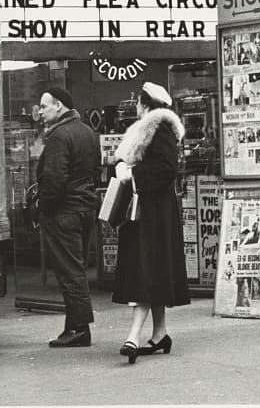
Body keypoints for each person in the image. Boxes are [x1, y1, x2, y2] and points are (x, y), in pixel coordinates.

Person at [112, 81, 191, 364]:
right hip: (151, 214)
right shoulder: (159, 130)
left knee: (143, 273)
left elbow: (165, 170)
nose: (135, 107)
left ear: (145, 105)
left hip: (150, 216)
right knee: (152, 272)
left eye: (138, 102)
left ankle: (133, 336)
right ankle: (160, 333)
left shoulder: (156, 129)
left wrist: (132, 175)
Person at [35, 86, 100, 348]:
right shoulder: (87, 131)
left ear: (59, 106)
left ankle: (79, 328)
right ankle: (73, 326)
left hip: (64, 212)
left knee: (70, 272)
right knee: (78, 267)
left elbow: (54, 179)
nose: (39, 112)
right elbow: (94, 168)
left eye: (44, 106)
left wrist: (44, 209)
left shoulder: (59, 136)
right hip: (84, 208)